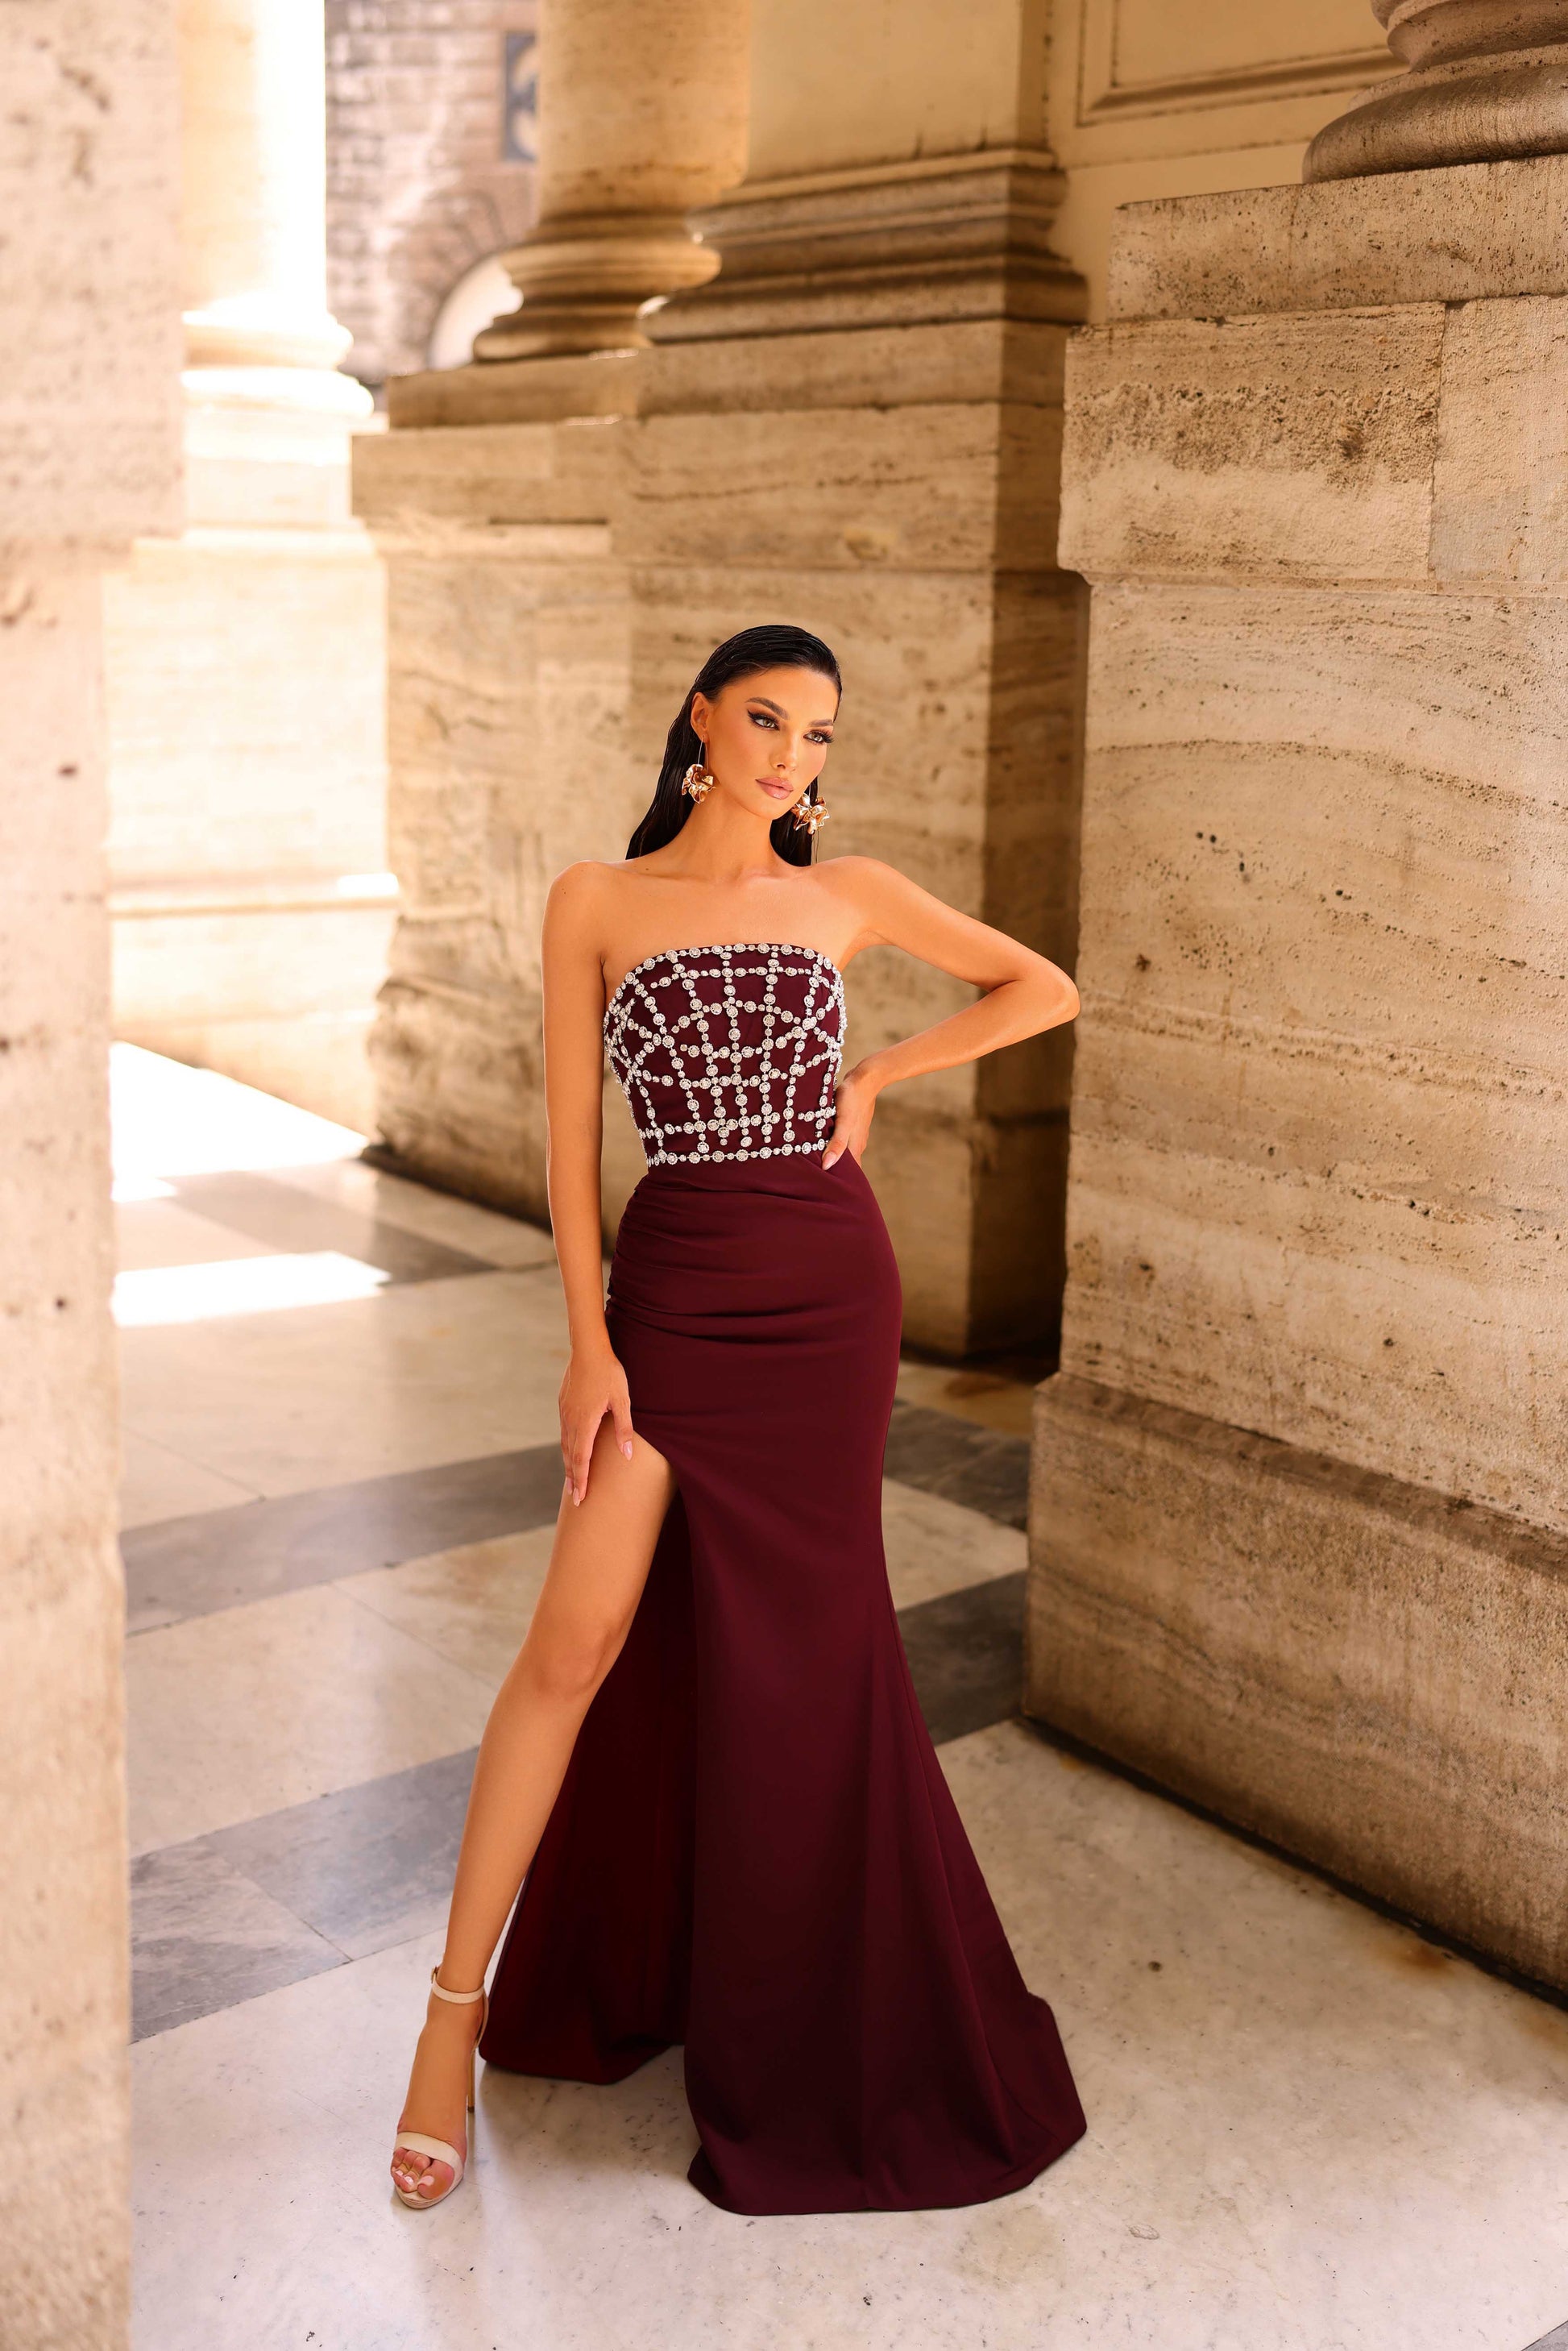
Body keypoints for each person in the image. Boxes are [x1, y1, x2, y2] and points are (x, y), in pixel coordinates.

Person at [389, 621, 1087, 2217]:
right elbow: (569, 1148)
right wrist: (588, 1346)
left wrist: (883, 1071)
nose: (791, 757)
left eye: (820, 738)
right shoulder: (596, 898)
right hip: (674, 1290)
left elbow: (1036, 986)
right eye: (768, 720)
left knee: (807, 1657)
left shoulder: (845, 893)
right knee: (571, 1647)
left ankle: (796, 2020)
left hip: (828, 1296)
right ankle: (449, 2017)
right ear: (700, 720)